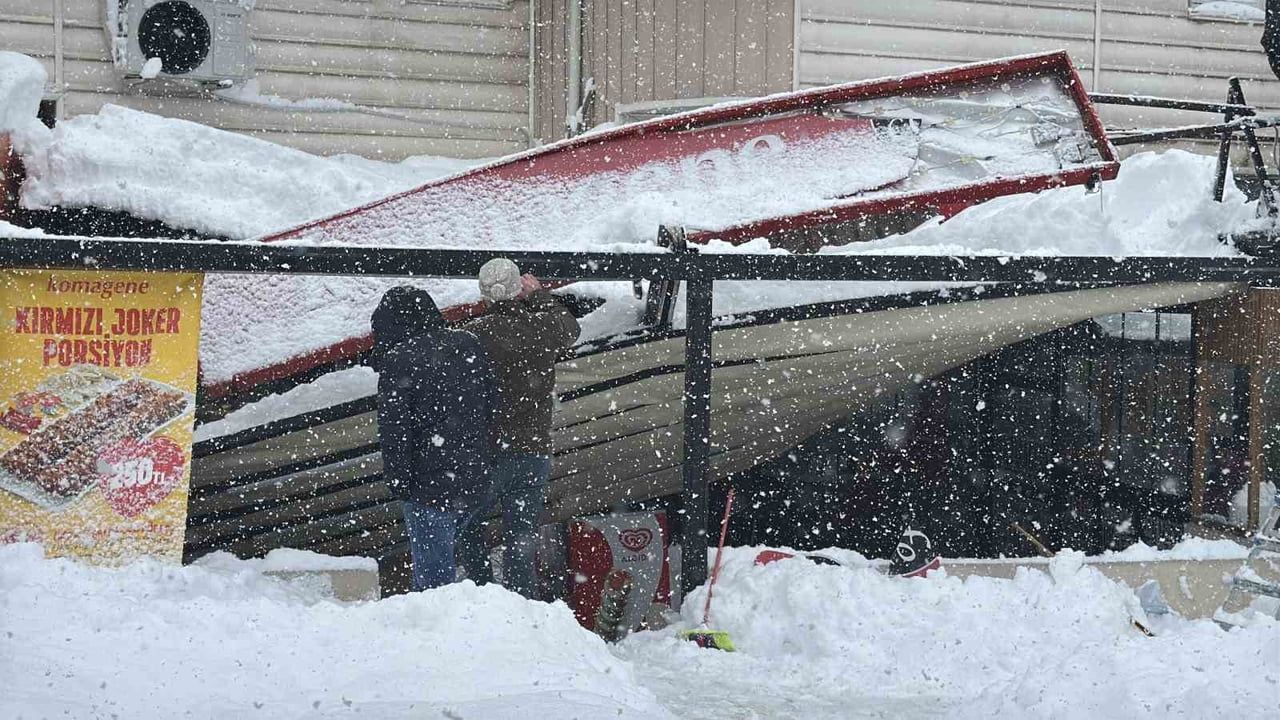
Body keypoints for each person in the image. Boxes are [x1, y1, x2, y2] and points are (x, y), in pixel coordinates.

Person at [457, 259, 580, 598]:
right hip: (532, 451)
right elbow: (570, 329)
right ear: (518, 290)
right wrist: (538, 295)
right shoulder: (540, 328)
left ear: (484, 295)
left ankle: (482, 595)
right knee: (521, 538)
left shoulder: (471, 337)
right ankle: (520, 603)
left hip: (485, 453)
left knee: (469, 528)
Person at [371, 286, 497, 592]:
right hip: (473, 478)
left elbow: (395, 431)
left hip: (427, 486)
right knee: (448, 566)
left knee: (434, 582)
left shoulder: (398, 361)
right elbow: (491, 406)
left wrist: (399, 481)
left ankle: (439, 618)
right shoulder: (468, 343)